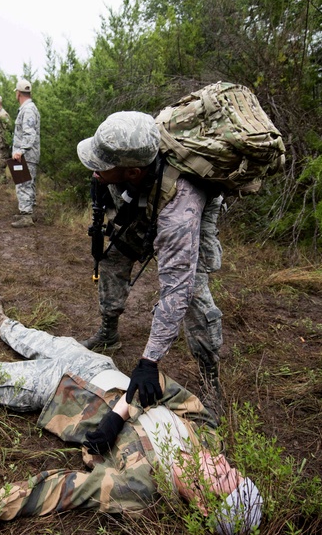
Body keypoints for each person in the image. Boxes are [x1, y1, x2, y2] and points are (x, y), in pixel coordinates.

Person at [0, 297, 262, 535]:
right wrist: (121, 412)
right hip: (97, 366)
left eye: (223, 478)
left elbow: (58, 490)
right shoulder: (208, 436)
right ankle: (1, 319)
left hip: (61, 394)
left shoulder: (140, 488)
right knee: (40, 340)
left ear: (203, 505)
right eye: (232, 468)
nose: (221, 461)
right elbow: (161, 384)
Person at [77, 111, 225, 413]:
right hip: (144, 203)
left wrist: (149, 361)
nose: (94, 171)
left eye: (102, 166)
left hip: (183, 217)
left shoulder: (180, 212)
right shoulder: (132, 159)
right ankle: (109, 332)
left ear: (131, 171)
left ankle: (211, 384)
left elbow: (176, 291)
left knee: (193, 295)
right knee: (113, 257)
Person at [10, 78, 40, 228]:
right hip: (28, 155)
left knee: (23, 184)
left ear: (18, 93)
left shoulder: (28, 109)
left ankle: (26, 215)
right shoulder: (29, 108)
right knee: (28, 183)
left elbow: (29, 134)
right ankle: (27, 212)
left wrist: (20, 151)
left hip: (25, 156)